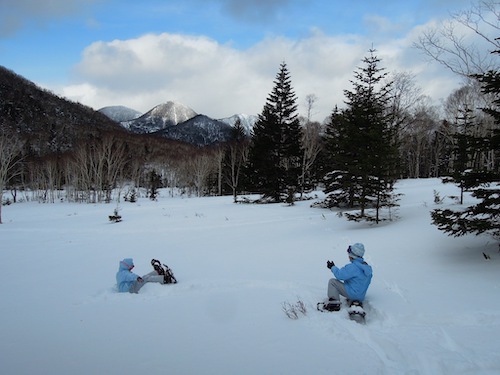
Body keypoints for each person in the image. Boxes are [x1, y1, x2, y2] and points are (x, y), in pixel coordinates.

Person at [325, 243, 373, 310]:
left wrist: (332, 267)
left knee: (332, 282)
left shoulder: (353, 267)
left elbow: (339, 275)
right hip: (361, 296)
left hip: (352, 293)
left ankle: (334, 303)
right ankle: (355, 301)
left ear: (352, 255)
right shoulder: (366, 268)